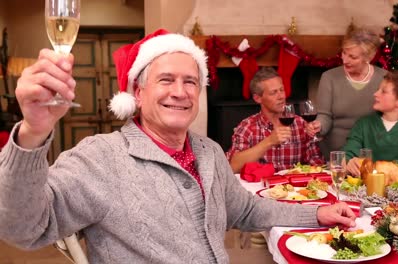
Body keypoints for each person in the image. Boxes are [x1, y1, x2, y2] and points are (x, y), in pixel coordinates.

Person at [0, 29, 356, 263]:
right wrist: (32, 131)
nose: (180, 92)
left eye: (191, 82)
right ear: (137, 93)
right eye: (166, 79)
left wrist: (316, 214)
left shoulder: (209, 152)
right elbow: (24, 229)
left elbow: (246, 211)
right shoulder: (101, 157)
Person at [311, 25, 398, 157]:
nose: (345, 60)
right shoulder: (329, 77)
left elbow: (395, 114)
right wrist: (318, 126)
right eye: (344, 53)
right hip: (335, 152)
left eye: (353, 57)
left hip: (371, 152)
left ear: (368, 57)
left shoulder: (384, 78)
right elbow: (324, 116)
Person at [226, 67, 324, 173]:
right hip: (259, 187)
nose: (281, 96)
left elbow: (317, 163)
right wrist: (269, 142)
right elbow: (233, 167)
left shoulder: (300, 124)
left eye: (282, 90)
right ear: (257, 98)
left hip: (292, 188)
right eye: (273, 93)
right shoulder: (247, 127)